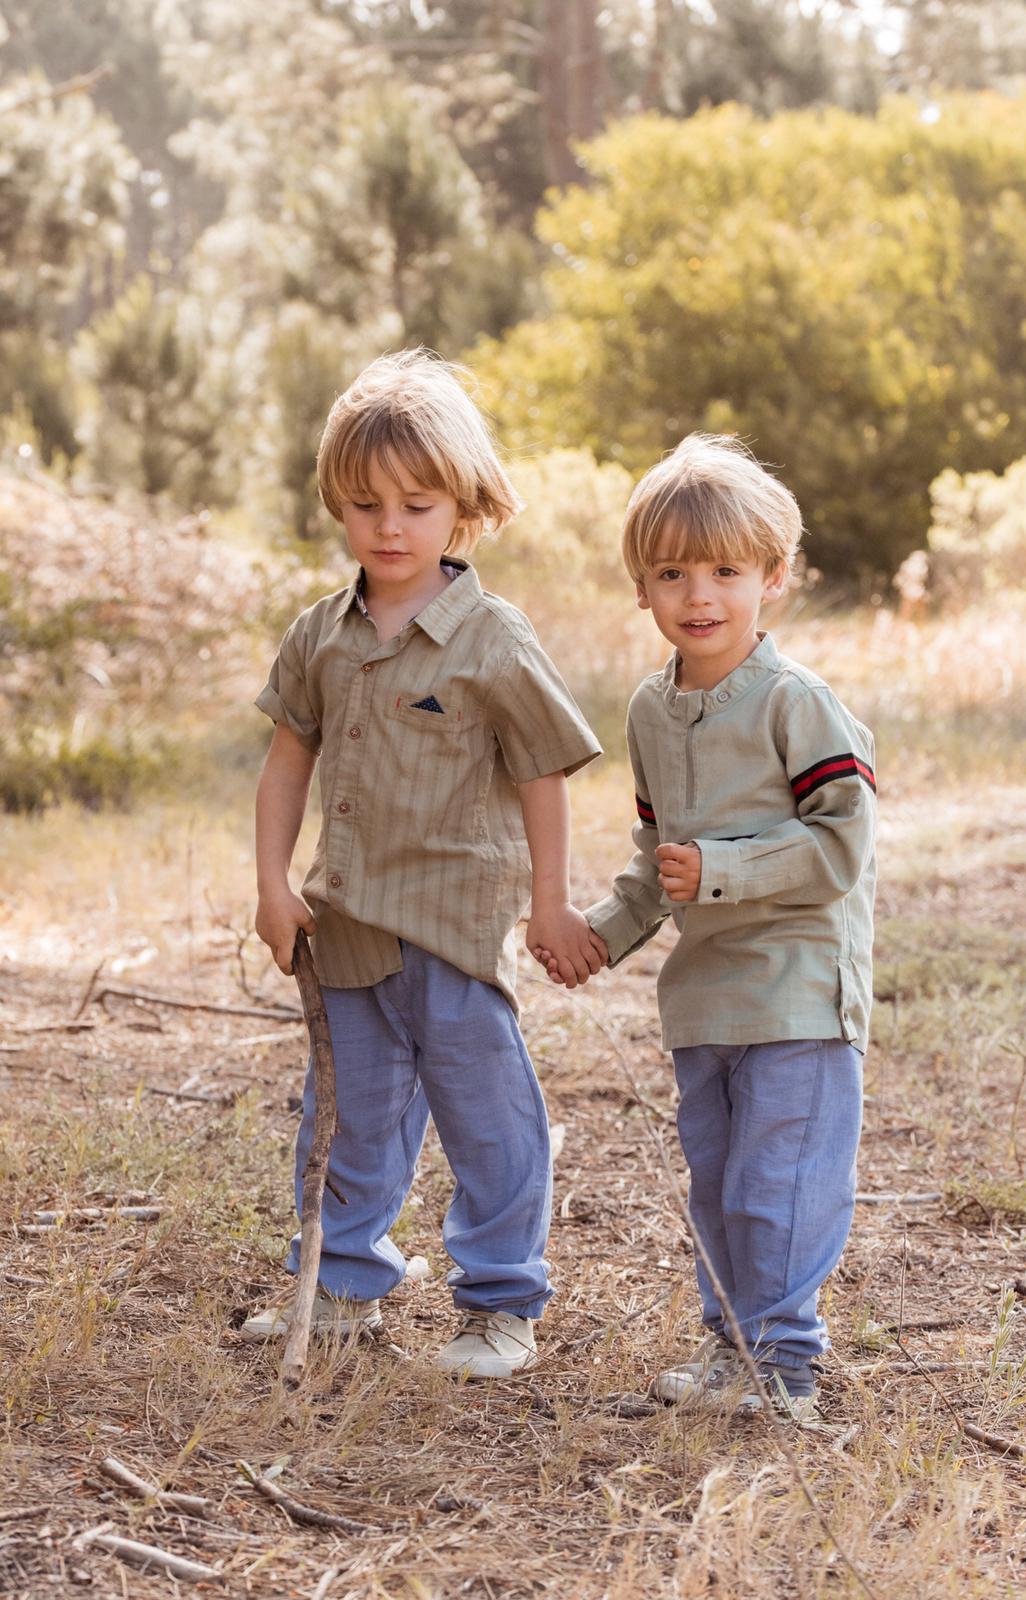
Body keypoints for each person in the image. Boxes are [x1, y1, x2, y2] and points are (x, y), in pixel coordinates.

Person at [243, 349, 606, 1378]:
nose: (389, 527)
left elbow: (543, 771)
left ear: (465, 507)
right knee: (346, 1113)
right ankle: (344, 1281)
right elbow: (285, 765)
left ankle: (499, 1303)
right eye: (365, 505)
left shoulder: (491, 638)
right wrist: (272, 884)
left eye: (416, 503)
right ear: (337, 509)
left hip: (450, 923)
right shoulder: (321, 635)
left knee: (487, 1117)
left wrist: (550, 902)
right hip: (347, 924)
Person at [538, 434, 876, 1418]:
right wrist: (601, 932)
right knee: (722, 1185)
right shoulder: (652, 710)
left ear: (772, 577)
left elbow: (844, 845)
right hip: (706, 998)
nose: (701, 594)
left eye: (726, 570)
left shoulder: (795, 703)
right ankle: (731, 1351)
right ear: (640, 587)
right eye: (673, 572)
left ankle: (785, 1367)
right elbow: (659, 859)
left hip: (798, 992)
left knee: (782, 1181)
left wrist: (724, 869)